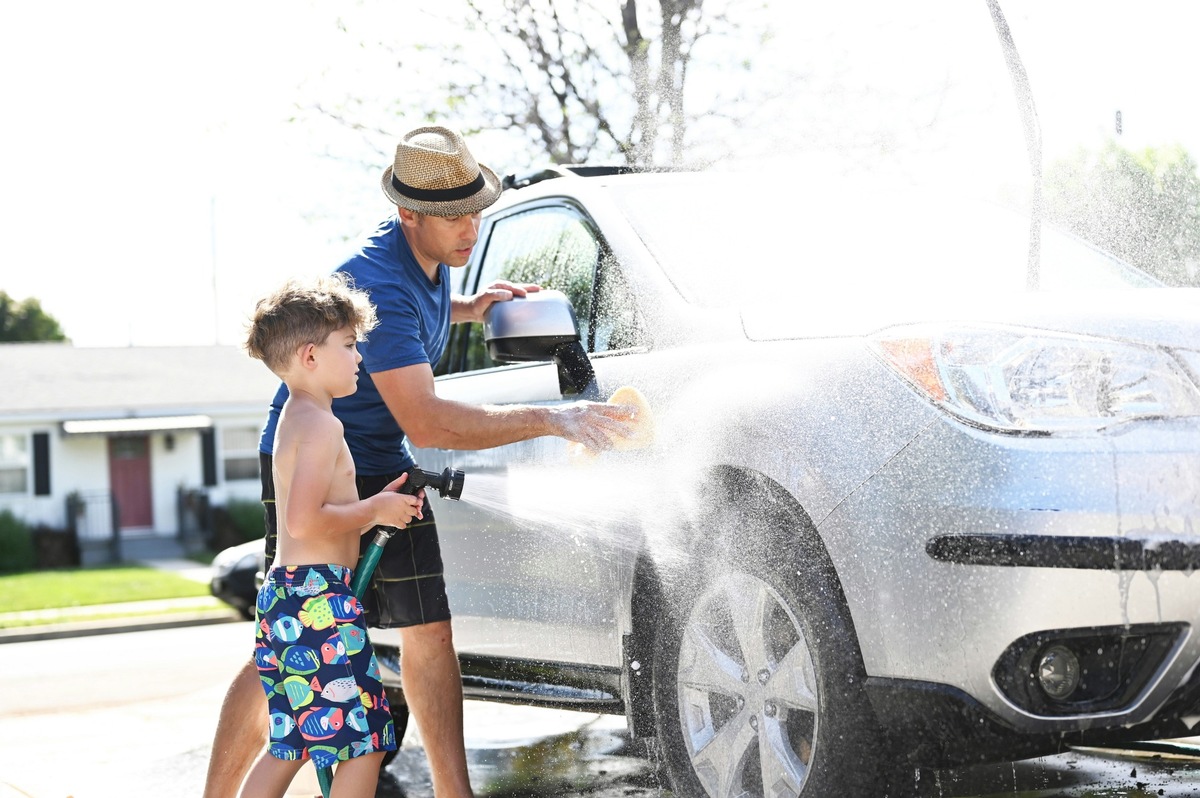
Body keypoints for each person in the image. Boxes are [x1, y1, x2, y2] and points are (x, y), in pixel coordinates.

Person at [205, 125, 636, 797]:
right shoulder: (376, 277)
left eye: (474, 209)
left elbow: (406, 323)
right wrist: (557, 417)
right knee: (285, 647)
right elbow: (429, 420)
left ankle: (453, 793)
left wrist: (471, 307)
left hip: (380, 461)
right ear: (409, 214)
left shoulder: (429, 263)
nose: (470, 227)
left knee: (428, 633)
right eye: (453, 216)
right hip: (314, 462)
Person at [238, 274, 426, 797]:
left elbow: (315, 514)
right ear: (310, 356)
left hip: (291, 598)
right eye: (349, 345)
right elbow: (302, 521)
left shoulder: (299, 418)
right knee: (365, 742)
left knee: (294, 744)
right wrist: (374, 507)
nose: (360, 358)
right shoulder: (322, 426)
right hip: (317, 600)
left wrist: (376, 508)